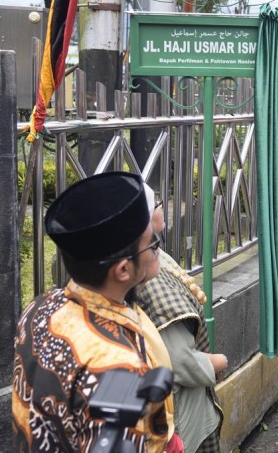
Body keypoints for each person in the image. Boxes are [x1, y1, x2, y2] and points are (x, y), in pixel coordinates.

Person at [12, 172, 174, 453]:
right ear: (123, 270)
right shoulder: (119, 368)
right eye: (152, 244)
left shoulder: (40, 307)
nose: (157, 250)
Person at [137, 185, 226, 453]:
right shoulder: (148, 275)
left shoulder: (151, 258)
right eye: (157, 203)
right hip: (182, 420)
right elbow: (178, 360)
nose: (163, 207)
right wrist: (218, 362)